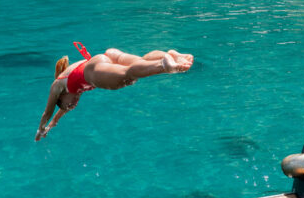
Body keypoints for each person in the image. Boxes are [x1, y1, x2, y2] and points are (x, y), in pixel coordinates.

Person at [36, 46, 194, 141]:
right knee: (142, 61)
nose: (74, 104)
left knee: (127, 77)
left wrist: (40, 130)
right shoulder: (71, 88)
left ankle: (163, 65)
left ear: (61, 97)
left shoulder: (57, 85)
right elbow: (59, 112)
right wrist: (53, 123)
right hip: (107, 56)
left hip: (92, 71)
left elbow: (47, 112)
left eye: (69, 104)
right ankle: (172, 56)